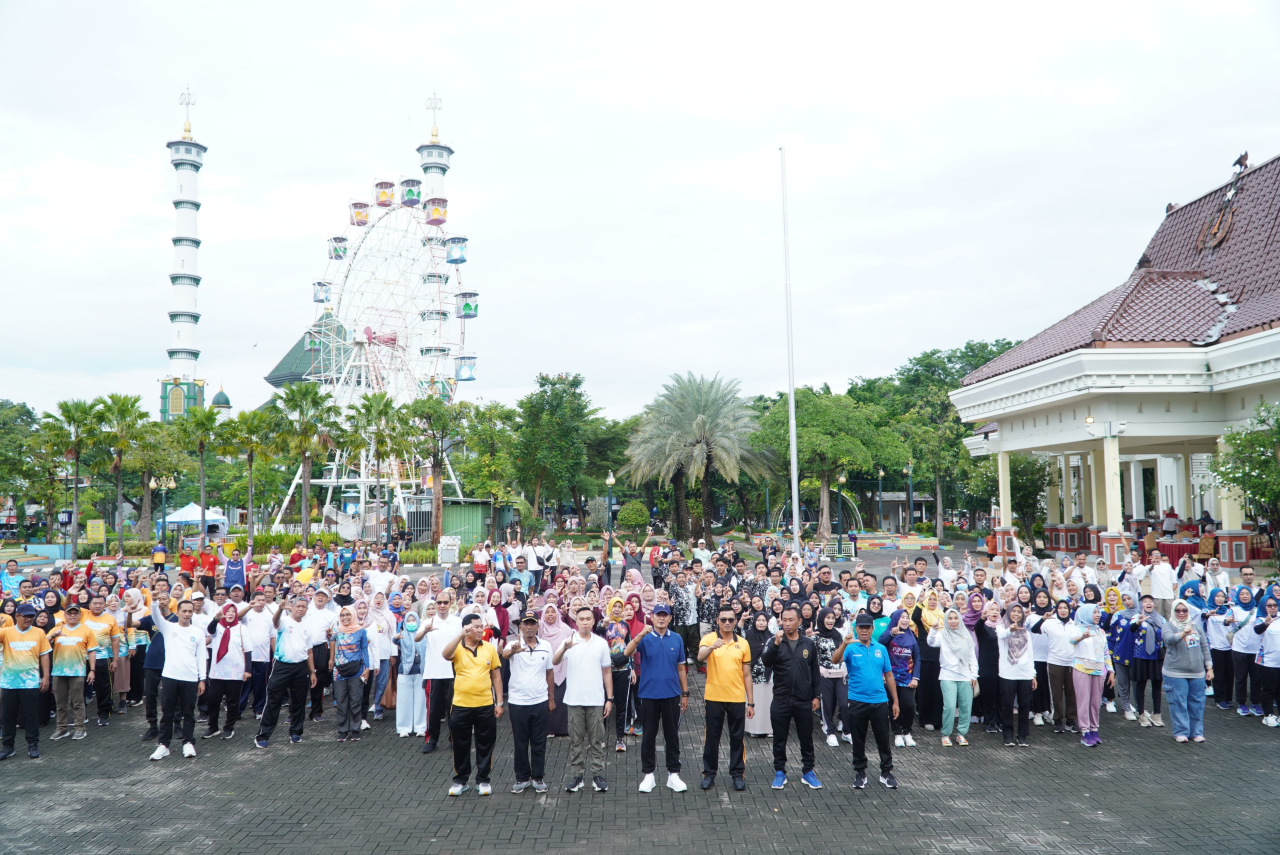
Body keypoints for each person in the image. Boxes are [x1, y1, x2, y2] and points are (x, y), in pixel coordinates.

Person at [830, 612, 899, 789]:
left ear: (872, 628)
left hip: (879, 701)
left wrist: (895, 701)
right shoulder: (851, 648)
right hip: (857, 701)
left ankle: (886, 772)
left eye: (867, 627)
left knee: (883, 738)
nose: (864, 631)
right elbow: (835, 660)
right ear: (856, 628)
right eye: (861, 627)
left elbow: (889, 676)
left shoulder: (881, 649)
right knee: (858, 739)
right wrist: (844, 644)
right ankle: (860, 773)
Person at [624, 602, 688, 792]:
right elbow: (627, 652)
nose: (661, 618)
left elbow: (681, 668)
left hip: (671, 695)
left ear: (669, 618)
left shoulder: (676, 639)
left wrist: (685, 693)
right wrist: (641, 634)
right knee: (648, 736)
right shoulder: (644, 638)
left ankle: (673, 774)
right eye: (658, 615)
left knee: (672, 736)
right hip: (649, 695)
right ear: (652, 617)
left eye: (665, 615)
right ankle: (648, 775)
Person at [760, 605, 822, 790]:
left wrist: (816, 696)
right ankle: (780, 772)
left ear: (799, 621)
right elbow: (766, 661)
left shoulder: (808, 644)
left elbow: (815, 672)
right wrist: (777, 643)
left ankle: (808, 772)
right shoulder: (775, 641)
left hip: (803, 700)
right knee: (780, 738)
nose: (787, 624)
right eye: (784, 620)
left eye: (791, 620)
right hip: (781, 698)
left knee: (806, 738)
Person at [441, 613, 504, 796]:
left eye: (481, 626)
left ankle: (483, 780)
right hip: (461, 704)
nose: (480, 630)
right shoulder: (458, 647)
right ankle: (461, 780)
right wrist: (460, 636)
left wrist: (499, 702)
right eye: (475, 627)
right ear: (466, 628)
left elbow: (496, 676)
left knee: (485, 743)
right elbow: (445, 655)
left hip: (485, 704)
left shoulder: (489, 648)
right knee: (460, 743)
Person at [553, 605, 613, 793]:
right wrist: (565, 649)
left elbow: (606, 671)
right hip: (574, 700)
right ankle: (577, 776)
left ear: (594, 621)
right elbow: (554, 661)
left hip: (595, 699)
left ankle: (597, 775)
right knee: (576, 740)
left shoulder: (601, 643)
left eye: (588, 619)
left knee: (597, 740)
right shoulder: (569, 641)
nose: (585, 622)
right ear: (576, 621)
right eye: (581, 619)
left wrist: (609, 698)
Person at [697, 604, 752, 791]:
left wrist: (750, 701)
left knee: (737, 738)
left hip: (736, 697)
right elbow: (699, 656)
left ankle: (737, 774)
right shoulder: (709, 638)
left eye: (730, 619)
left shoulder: (743, 643)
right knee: (712, 737)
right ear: (717, 621)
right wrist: (713, 646)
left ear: (735, 621)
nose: (727, 623)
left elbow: (747, 674)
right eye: (723, 620)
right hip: (714, 696)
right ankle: (709, 774)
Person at [147, 597, 207, 760]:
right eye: (184, 611)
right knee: (167, 712)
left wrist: (202, 679)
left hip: (190, 678)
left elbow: (201, 656)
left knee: (188, 712)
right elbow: (155, 616)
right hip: (170, 677)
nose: (187, 614)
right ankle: (164, 745)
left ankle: (188, 742)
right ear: (178, 612)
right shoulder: (168, 627)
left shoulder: (198, 632)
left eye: (190, 611)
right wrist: (153, 602)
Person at [254, 596, 318, 749]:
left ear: (307, 609)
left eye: (304, 607)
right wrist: (279, 609)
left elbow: (309, 651)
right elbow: (275, 622)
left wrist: (312, 671)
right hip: (282, 666)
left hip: (301, 667)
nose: (301, 609)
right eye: (298, 606)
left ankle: (296, 732)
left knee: (299, 701)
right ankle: (263, 735)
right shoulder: (284, 621)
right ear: (292, 606)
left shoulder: (308, 627)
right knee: (273, 700)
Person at [502, 609, 554, 794]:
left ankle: (538, 778)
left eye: (533, 623)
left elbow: (549, 673)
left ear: (538, 625)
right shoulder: (513, 644)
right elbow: (505, 654)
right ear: (520, 626)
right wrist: (513, 651)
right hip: (518, 702)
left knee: (539, 742)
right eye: (526, 623)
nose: (529, 627)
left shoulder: (546, 646)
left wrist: (551, 699)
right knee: (520, 742)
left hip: (540, 700)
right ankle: (522, 778)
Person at [0, 603, 52, 760]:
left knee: (31, 715)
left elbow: (44, 655)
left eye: (31, 616)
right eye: (26, 616)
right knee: (8, 715)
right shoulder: (6, 632)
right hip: (9, 682)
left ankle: (33, 744)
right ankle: (8, 747)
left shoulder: (39, 633)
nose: (29, 619)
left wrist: (46, 677)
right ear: (17, 616)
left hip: (30, 682)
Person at [1163, 598, 1213, 742]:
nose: (1181, 613)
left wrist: (1209, 668)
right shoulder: (1168, 625)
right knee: (1179, 703)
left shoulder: (1196, 626)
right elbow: (1169, 639)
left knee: (1197, 703)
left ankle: (1196, 732)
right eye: (1178, 610)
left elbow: (1205, 647)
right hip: (1175, 672)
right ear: (1173, 611)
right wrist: (1183, 633)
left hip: (1197, 672)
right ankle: (1181, 732)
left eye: (1184, 610)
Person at [417, 590, 461, 753]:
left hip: (452, 671)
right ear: (435, 604)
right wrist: (425, 631)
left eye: (445, 602)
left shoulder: (457, 622)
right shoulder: (429, 621)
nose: (442, 606)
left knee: (454, 709)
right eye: (439, 602)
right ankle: (431, 739)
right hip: (433, 672)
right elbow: (417, 638)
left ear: (450, 603)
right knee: (433, 710)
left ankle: (454, 739)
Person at [928, 607, 978, 746]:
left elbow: (972, 657)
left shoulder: (966, 635)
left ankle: (961, 734)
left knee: (966, 707)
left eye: (955, 618)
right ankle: (946, 734)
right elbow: (931, 643)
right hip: (947, 675)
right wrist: (933, 629)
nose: (953, 621)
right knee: (949, 706)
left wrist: (974, 675)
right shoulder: (942, 634)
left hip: (965, 676)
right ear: (946, 620)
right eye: (950, 618)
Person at [46, 602, 96, 741]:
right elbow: (42, 644)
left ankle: (80, 728)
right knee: (60, 702)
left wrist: (92, 670)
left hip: (77, 671)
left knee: (77, 701)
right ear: (65, 615)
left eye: (75, 613)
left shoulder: (86, 630)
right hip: (58, 671)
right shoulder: (57, 628)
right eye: (70, 613)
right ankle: (62, 728)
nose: (72, 615)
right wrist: (52, 636)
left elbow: (91, 651)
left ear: (80, 615)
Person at [202, 603, 250, 740]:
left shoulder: (241, 628)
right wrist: (216, 619)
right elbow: (210, 630)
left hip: (235, 671)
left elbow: (248, 650)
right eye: (227, 611)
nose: (230, 614)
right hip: (218, 671)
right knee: (213, 699)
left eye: (232, 611)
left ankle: (229, 727)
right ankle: (213, 727)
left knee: (232, 701)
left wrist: (248, 670)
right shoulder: (218, 626)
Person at [1069, 604, 1112, 747]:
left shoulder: (1100, 631)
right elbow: (1071, 641)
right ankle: (1085, 732)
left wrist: (1110, 670)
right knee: (1083, 701)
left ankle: (1094, 729)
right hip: (1082, 668)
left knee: (1095, 702)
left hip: (1099, 670)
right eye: (1094, 612)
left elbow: (1106, 652)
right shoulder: (1077, 628)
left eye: (1098, 612)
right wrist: (1082, 636)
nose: (1097, 615)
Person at [995, 603, 1037, 747]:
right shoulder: (1001, 626)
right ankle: (1008, 735)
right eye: (1013, 611)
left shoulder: (1025, 630)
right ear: (1008, 612)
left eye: (1019, 612)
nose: (1016, 614)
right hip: (1008, 673)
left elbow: (1030, 654)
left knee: (1025, 705)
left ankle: (1023, 735)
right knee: (1007, 704)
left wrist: (1033, 674)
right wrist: (1010, 630)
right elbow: (1002, 635)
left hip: (1024, 673)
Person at [878, 609, 920, 748]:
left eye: (907, 618)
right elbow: (880, 643)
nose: (905, 620)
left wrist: (915, 677)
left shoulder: (912, 635)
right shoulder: (889, 633)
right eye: (902, 617)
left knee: (908, 705)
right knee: (893, 706)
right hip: (891, 678)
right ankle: (897, 733)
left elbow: (917, 658)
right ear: (896, 619)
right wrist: (891, 634)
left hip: (907, 678)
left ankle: (907, 732)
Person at [329, 605, 371, 741]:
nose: (345, 618)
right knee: (341, 700)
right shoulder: (336, 631)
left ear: (353, 615)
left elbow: (364, 650)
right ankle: (342, 730)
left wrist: (367, 668)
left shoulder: (361, 631)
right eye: (342, 615)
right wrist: (331, 659)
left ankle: (355, 729)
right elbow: (331, 642)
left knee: (355, 700)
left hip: (356, 670)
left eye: (348, 615)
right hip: (339, 671)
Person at [81, 593, 122, 727]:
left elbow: (115, 640)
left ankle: (104, 713)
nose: (97, 606)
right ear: (89, 605)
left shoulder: (110, 619)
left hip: (102, 657)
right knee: (79, 687)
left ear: (105, 605)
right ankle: (81, 715)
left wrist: (115, 660)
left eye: (100, 603)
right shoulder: (83, 614)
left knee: (104, 687)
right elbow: (67, 605)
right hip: (81, 657)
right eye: (95, 603)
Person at [395, 610, 429, 738]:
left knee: (420, 700)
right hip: (404, 671)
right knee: (404, 700)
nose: (411, 623)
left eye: (413, 620)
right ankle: (404, 728)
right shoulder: (402, 635)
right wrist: (396, 637)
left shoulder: (423, 635)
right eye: (408, 620)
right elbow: (395, 640)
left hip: (420, 671)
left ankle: (420, 727)